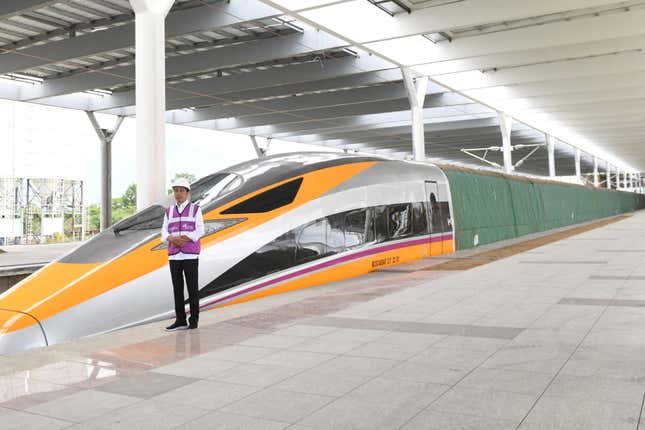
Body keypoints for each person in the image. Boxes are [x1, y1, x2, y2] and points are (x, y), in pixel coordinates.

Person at [161, 178, 204, 331]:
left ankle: (194, 320)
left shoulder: (195, 209)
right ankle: (180, 320)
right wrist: (171, 238)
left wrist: (183, 239)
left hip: (190, 255)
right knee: (177, 289)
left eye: (181, 190)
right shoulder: (169, 211)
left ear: (187, 193)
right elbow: (163, 232)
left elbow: (200, 230)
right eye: (176, 190)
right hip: (174, 255)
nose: (178, 193)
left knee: (192, 288)